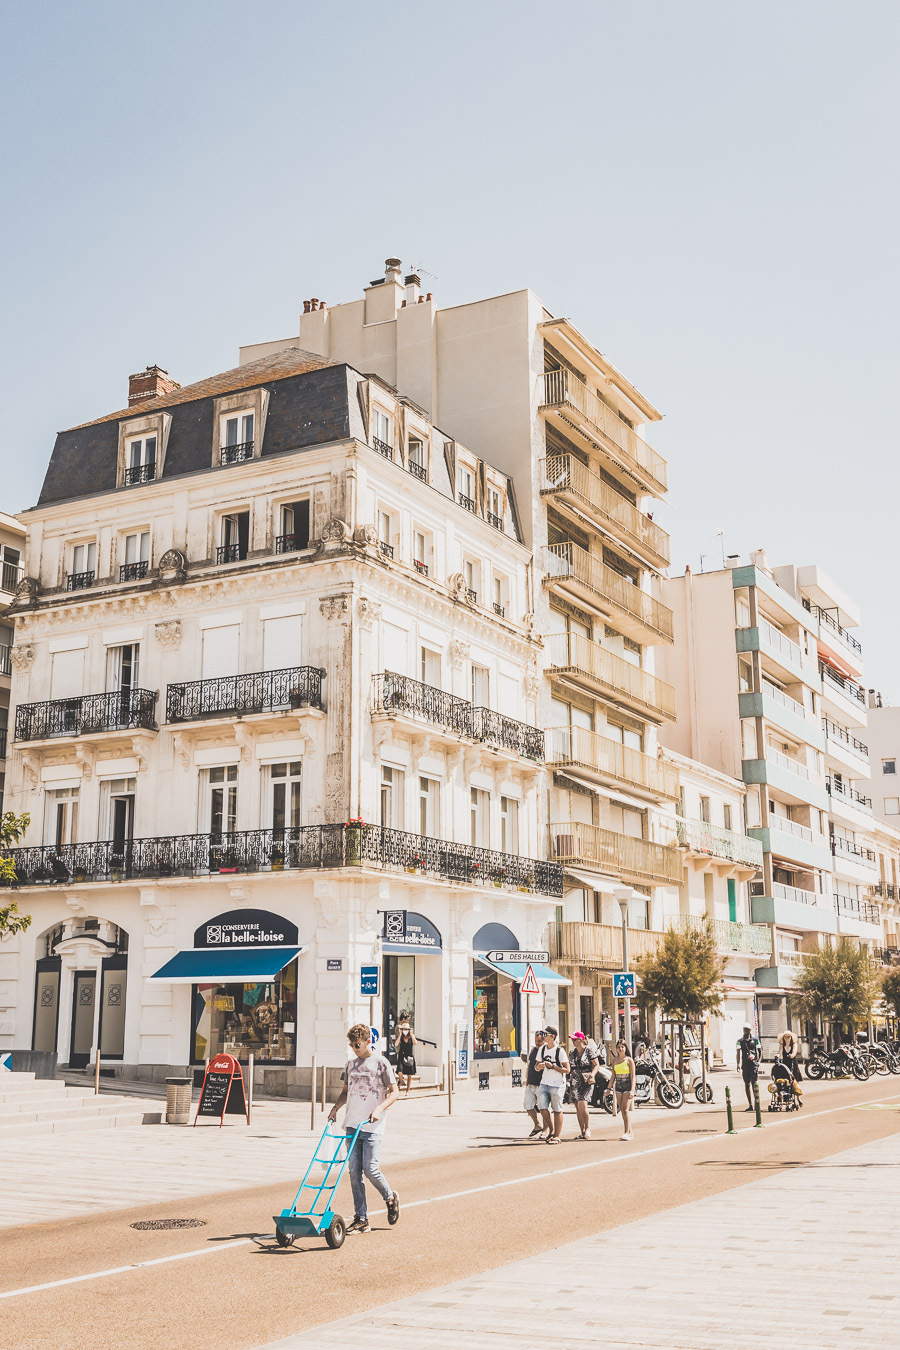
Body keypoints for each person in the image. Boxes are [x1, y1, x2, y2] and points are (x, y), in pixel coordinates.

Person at [328, 1022, 401, 1234]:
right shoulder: (350, 1065)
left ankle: (390, 1197)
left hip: (372, 1126)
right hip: (352, 1124)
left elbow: (394, 1092)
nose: (354, 1048)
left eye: (357, 1044)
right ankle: (361, 1218)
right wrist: (335, 1109)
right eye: (351, 1045)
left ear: (368, 1041)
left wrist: (379, 1109)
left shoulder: (381, 1063)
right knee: (354, 1173)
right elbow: (345, 1092)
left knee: (371, 1169)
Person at [536, 1025, 569, 1144]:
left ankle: (557, 1135)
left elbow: (567, 1070)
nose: (543, 1037)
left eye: (546, 1035)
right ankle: (551, 1128)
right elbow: (536, 1065)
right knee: (542, 1107)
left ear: (552, 1037)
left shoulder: (560, 1051)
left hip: (558, 1084)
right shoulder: (542, 1049)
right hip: (544, 1082)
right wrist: (538, 1067)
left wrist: (553, 1066)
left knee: (557, 1109)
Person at [568, 1031, 599, 1139]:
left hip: (586, 1080)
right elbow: (569, 1067)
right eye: (572, 1039)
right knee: (577, 1107)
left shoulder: (589, 1051)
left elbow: (596, 1065)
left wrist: (593, 1075)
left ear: (580, 1040)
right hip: (575, 1080)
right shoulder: (572, 1052)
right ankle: (582, 1131)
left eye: (575, 1039)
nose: (573, 1041)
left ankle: (587, 1128)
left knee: (583, 1104)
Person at [520, 1029, 546, 1138]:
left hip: (542, 1084)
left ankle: (545, 1130)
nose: (537, 1043)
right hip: (531, 1083)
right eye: (536, 1041)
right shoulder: (533, 1050)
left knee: (544, 1108)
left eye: (539, 1041)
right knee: (528, 1105)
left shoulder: (546, 1051)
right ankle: (537, 1125)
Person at [611, 1039, 636, 1141]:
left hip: (627, 1085)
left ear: (625, 1048)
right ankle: (630, 1131)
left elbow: (633, 1076)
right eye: (619, 1047)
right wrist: (609, 1088)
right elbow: (613, 1075)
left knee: (625, 1109)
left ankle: (626, 1132)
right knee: (621, 1109)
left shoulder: (629, 1060)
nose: (620, 1049)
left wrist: (632, 1090)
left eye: (622, 1047)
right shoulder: (615, 1060)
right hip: (618, 1085)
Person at [736, 1022, 762, 1110]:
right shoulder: (740, 1041)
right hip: (745, 1064)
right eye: (744, 1029)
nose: (745, 1031)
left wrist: (759, 1062)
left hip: (753, 1064)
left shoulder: (755, 1040)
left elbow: (760, 1051)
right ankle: (750, 1104)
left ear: (750, 1030)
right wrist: (738, 1064)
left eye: (747, 1029)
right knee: (747, 1084)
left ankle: (756, 1103)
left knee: (754, 1083)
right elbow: (738, 1053)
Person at [394, 1015, 417, 1090]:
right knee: (400, 1072)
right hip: (402, 1055)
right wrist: (400, 1034)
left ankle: (408, 1090)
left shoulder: (411, 1036)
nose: (405, 1030)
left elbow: (415, 1043)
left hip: (409, 1056)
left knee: (409, 1075)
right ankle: (400, 1081)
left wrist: (411, 1034)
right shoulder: (401, 1037)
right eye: (403, 1029)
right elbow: (396, 1044)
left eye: (406, 1029)